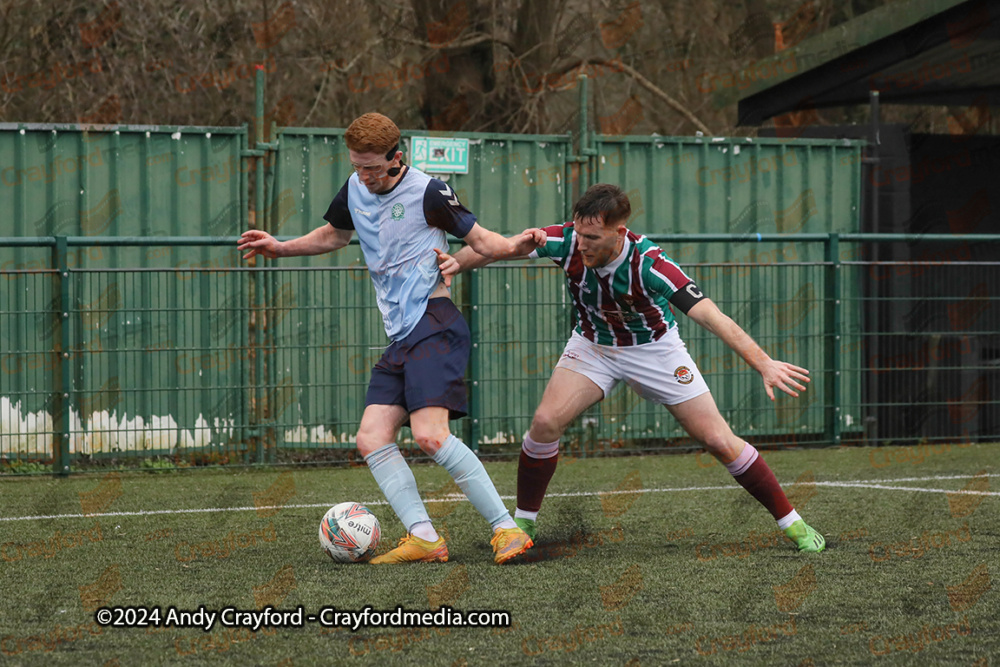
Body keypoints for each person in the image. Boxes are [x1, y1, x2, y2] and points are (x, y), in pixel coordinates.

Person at [436, 183, 826, 553]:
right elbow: (499, 248)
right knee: (544, 423)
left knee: (720, 441)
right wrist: (455, 264)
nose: (581, 244)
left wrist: (763, 363)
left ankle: (792, 523)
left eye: (593, 238)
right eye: (578, 233)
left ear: (619, 232)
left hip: (655, 351)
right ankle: (523, 525)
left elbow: (712, 316)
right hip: (593, 346)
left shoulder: (651, 264)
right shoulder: (567, 239)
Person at [238, 112, 536, 564]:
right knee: (372, 437)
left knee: (430, 437)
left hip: (435, 322)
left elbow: (484, 241)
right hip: (401, 336)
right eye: (358, 166)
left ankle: (506, 530)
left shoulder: (429, 191)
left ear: (398, 157)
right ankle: (424, 537)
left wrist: (528, 244)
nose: (365, 175)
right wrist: (280, 246)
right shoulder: (355, 188)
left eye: (373, 167)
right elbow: (335, 235)